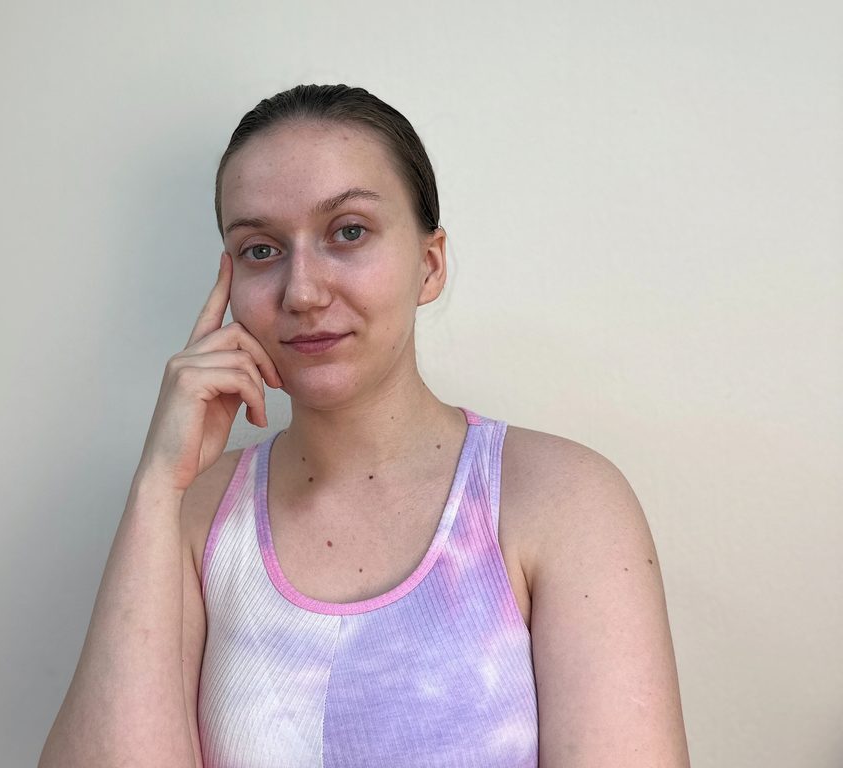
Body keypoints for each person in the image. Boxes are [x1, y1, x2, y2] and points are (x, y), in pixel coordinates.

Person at [39, 84, 691, 768]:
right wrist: (156, 486)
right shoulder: (191, 517)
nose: (303, 292)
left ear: (429, 265)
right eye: (260, 250)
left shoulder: (564, 501)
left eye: (348, 232)